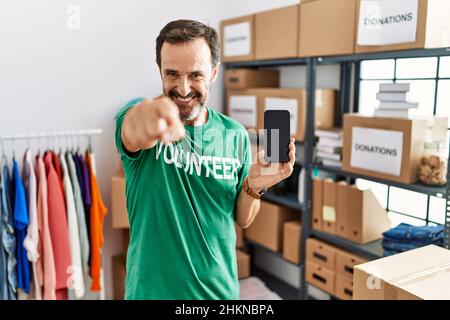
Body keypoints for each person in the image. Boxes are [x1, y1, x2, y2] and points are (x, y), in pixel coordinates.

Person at [115, 19, 296, 300]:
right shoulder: (143, 118)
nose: (184, 89)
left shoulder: (234, 134)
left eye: (195, 75)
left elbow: (242, 218)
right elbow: (135, 126)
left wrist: (254, 185)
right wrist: (154, 115)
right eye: (172, 74)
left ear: (213, 73)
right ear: (159, 71)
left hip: (219, 294)